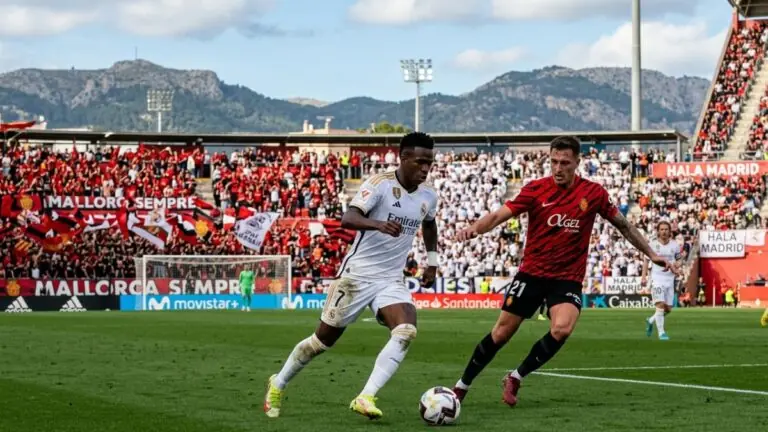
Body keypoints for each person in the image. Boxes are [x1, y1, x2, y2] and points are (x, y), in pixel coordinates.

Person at [449, 135, 675, 407]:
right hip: (531, 274)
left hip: (566, 279)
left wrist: (651, 254)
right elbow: (499, 215)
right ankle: (461, 386)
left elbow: (623, 226)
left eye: (565, 163)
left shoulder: (593, 194)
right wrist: (475, 228)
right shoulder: (536, 190)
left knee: (562, 329)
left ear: (577, 162)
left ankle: (516, 376)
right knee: (500, 335)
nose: (558, 168)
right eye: (554, 162)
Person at [263, 132, 439, 419]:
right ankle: (278, 381)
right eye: (420, 162)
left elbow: (430, 225)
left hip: (390, 279)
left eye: (429, 163)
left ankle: (365, 396)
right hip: (357, 276)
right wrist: (378, 224)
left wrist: (432, 262)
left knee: (406, 330)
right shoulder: (380, 185)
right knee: (320, 343)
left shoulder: (428, 195)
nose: (425, 168)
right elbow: (349, 218)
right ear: (403, 157)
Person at [642, 221, 681, 340]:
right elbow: (646, 261)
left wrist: (675, 265)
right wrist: (643, 276)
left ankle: (651, 320)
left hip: (670, 279)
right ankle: (661, 333)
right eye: (662, 229)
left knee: (668, 309)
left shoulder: (675, 245)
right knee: (660, 305)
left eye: (666, 229)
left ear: (670, 231)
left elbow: (679, 261)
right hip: (657, 278)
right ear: (658, 231)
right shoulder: (652, 245)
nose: (664, 231)